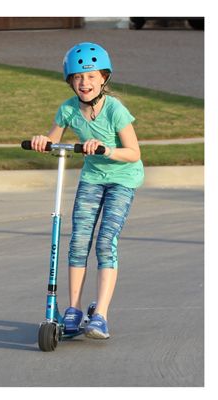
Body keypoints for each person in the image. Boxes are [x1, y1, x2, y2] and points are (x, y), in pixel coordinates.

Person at [30, 42, 144, 339]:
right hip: (92, 178)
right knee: (79, 241)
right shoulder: (68, 109)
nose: (85, 83)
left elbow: (133, 152)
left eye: (92, 76)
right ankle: (75, 309)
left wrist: (106, 149)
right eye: (79, 77)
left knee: (105, 241)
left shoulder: (116, 110)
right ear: (70, 80)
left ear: (104, 78)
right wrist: (43, 141)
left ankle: (101, 315)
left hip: (123, 178)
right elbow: (54, 139)